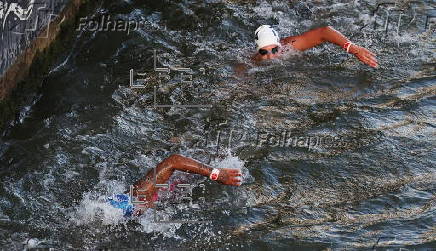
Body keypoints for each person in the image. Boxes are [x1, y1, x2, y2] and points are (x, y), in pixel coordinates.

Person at [107, 154, 242, 217]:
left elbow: (173, 161)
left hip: (196, 170)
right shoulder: (138, 209)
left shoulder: (138, 197)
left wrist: (217, 174)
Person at [250, 25, 378, 67]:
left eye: (274, 50)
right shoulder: (252, 61)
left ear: (280, 46)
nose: (271, 56)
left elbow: (325, 31)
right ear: (258, 52)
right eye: (263, 52)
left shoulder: (290, 46)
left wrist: (353, 49)